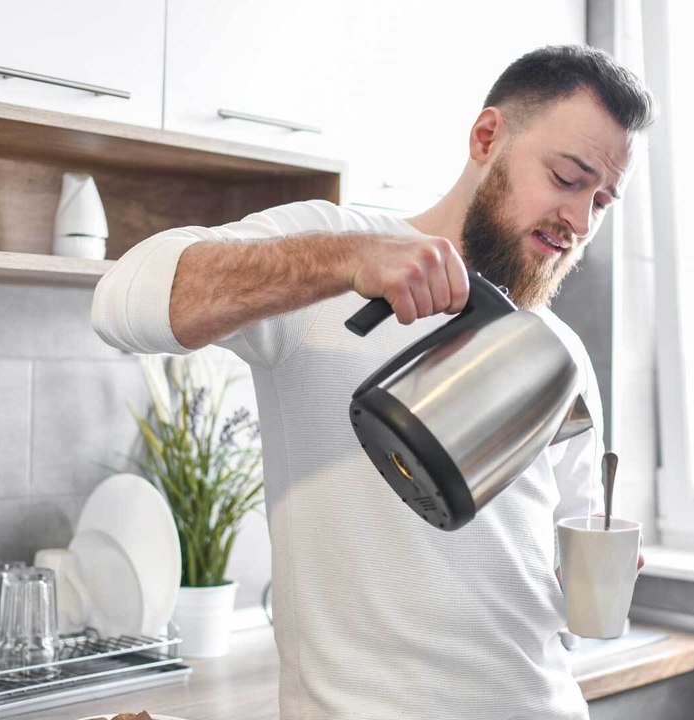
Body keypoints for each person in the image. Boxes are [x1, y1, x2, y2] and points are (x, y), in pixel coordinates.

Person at [91, 44, 655, 720]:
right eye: (568, 177)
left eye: (603, 201)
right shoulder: (338, 253)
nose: (581, 220)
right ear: (486, 139)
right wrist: (350, 260)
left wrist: (592, 573)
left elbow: (561, 552)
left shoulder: (558, 352)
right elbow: (122, 300)